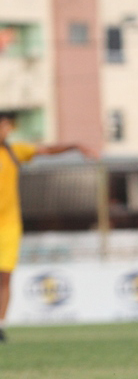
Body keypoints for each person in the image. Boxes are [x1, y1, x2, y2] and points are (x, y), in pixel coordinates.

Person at [0, 111, 95, 342]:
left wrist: (75, 145)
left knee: (4, 277)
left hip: (8, 226)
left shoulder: (15, 151)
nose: (5, 130)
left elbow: (48, 150)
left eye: (6, 126)